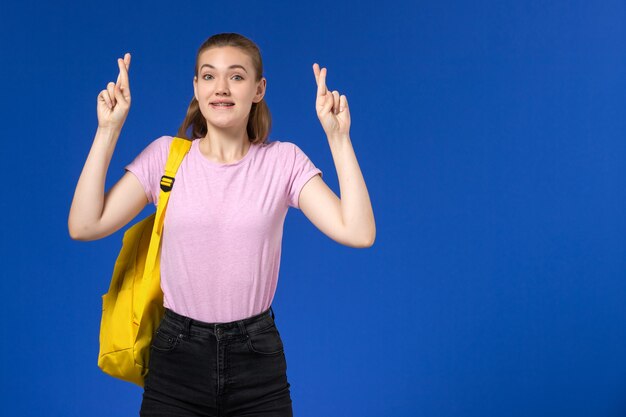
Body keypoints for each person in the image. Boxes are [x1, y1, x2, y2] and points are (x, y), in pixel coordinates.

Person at [68, 32, 375, 416]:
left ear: (259, 89)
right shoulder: (166, 158)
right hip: (176, 356)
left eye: (237, 76)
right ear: (196, 88)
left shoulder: (283, 162)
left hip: (257, 359)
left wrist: (339, 138)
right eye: (209, 76)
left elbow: (358, 232)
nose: (222, 88)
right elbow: (84, 224)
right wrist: (108, 130)